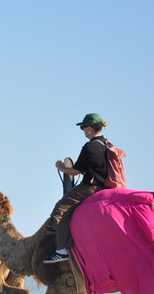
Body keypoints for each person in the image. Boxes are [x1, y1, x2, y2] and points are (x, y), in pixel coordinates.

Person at [44, 113, 110, 264]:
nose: (82, 131)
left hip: (90, 187)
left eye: (82, 128)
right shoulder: (107, 144)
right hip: (105, 187)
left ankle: (61, 251)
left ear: (89, 128)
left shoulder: (89, 146)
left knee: (60, 210)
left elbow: (75, 171)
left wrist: (61, 167)